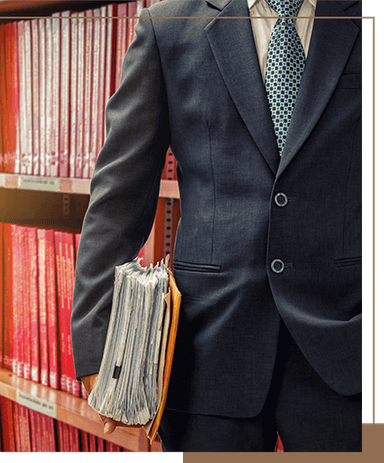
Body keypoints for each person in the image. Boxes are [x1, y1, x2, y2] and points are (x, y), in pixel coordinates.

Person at [70, 0, 363, 452]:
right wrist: (97, 342)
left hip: (351, 347)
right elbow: (118, 197)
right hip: (205, 352)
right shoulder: (168, 25)